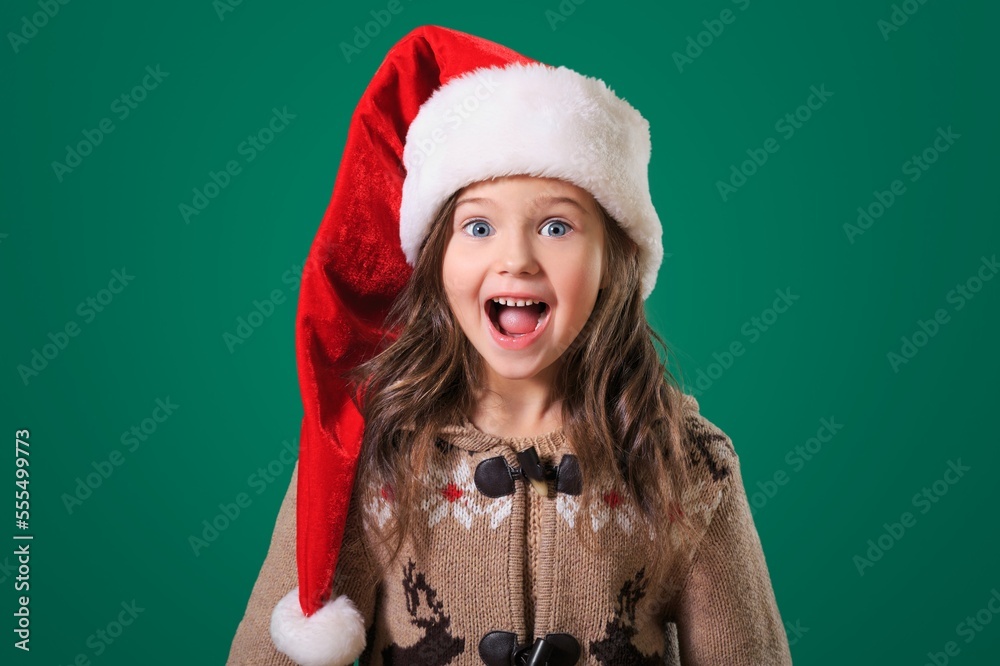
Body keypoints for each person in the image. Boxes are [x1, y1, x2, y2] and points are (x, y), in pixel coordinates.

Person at [226, 25, 793, 666]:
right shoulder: (367, 457)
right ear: (436, 260)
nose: (516, 258)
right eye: (478, 225)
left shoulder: (687, 465)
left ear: (615, 260)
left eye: (556, 226)